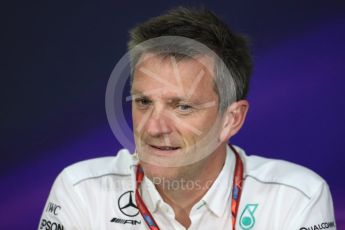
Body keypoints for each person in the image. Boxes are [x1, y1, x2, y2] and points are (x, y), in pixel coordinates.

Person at [38, 7, 336, 230]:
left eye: (182, 107)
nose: (154, 127)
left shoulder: (296, 199)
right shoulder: (81, 191)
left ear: (231, 120)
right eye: (143, 102)